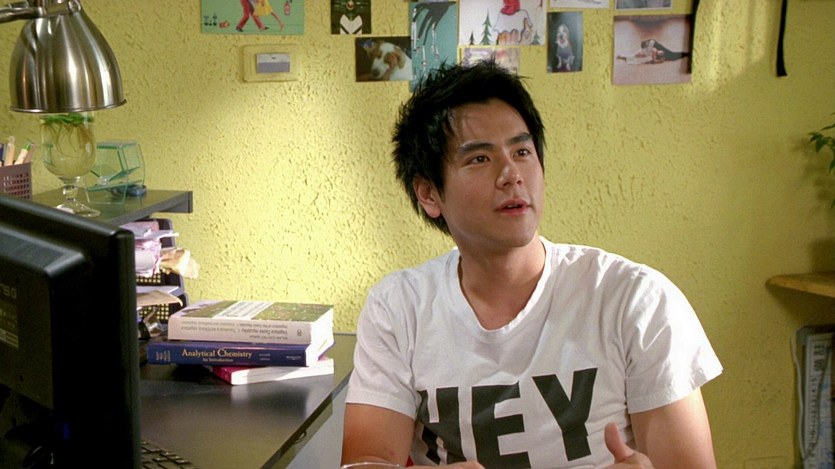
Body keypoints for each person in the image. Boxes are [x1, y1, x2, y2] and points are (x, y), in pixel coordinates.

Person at [341, 59, 722, 469]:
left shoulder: (635, 300)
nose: (511, 174)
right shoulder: (398, 307)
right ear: (429, 194)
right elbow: (366, 460)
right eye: (479, 159)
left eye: (522, 151)